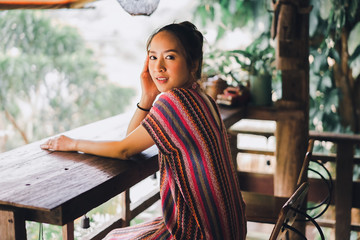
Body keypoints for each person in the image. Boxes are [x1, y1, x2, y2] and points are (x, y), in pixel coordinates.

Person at [41, 21, 247, 240]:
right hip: (229, 227)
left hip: (199, 232)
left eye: (170, 57)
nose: (158, 67)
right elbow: (131, 140)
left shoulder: (174, 101)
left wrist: (72, 144)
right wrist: (147, 97)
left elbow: (124, 149)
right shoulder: (203, 99)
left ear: (193, 64)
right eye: (152, 57)